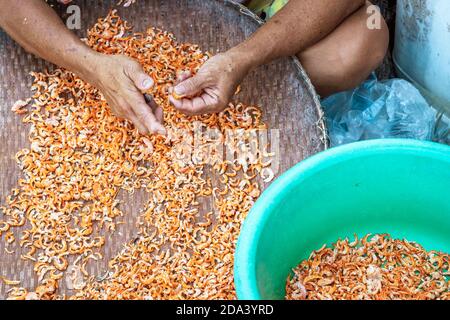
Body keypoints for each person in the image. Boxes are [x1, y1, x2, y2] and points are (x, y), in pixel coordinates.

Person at [0, 0, 388, 135]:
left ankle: (242, 98)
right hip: (107, 26)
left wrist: (244, 58)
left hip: (246, 22)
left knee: (364, 35)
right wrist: (90, 65)